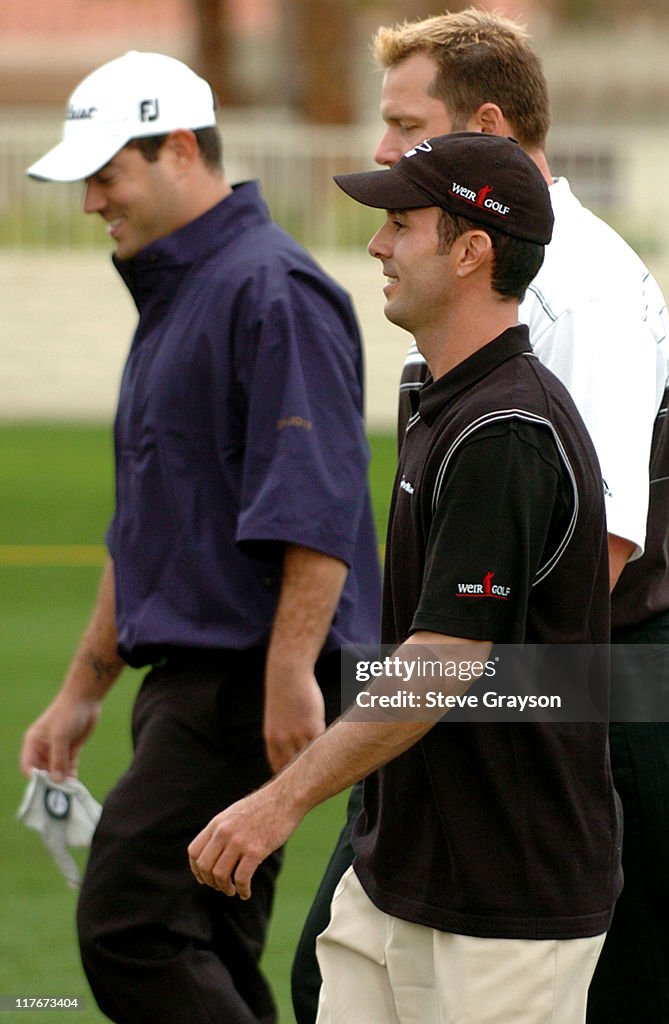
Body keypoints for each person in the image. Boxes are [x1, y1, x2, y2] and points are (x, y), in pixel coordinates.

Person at [291, 11, 669, 1024]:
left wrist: (444, 705)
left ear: (485, 122)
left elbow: (601, 556)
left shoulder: (587, 285)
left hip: (595, 695)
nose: (383, 152)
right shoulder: (484, 281)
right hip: (507, 690)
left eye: (404, 124)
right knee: (336, 968)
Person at [189, 131, 623, 1024]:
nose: (377, 246)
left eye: (400, 224)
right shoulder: (441, 395)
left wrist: (281, 802)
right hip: (401, 876)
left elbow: (444, 659)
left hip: (504, 906)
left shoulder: (506, 430)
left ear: (472, 249)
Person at [19, 50, 382, 1024]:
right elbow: (150, 519)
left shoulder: (270, 289)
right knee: (206, 935)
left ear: (180, 148)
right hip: (199, 682)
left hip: (246, 684)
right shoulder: (185, 291)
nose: (93, 201)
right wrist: (81, 690)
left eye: (108, 173)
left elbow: (317, 497)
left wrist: (289, 672)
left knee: (129, 922)